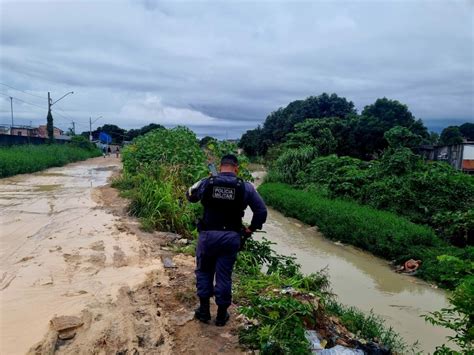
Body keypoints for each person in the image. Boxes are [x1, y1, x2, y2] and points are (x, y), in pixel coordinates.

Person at [186, 154, 267, 326]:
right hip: (231, 238)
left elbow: (190, 196)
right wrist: (250, 229)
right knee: (224, 276)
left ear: (220, 166)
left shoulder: (207, 182)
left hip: (207, 236)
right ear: (236, 168)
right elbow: (261, 212)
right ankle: (222, 316)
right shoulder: (246, 187)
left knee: (204, 272)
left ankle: (204, 311)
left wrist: (206, 183)